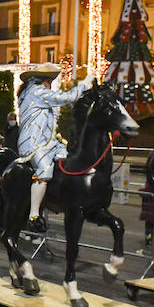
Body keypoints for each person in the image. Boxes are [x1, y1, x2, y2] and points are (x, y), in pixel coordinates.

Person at [17, 64, 93, 232]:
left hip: (48, 142)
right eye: (50, 81)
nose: (51, 84)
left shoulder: (35, 93)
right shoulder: (37, 92)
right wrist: (84, 83)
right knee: (44, 168)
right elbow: (67, 98)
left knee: (70, 159)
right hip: (34, 143)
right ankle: (34, 215)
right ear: (44, 81)